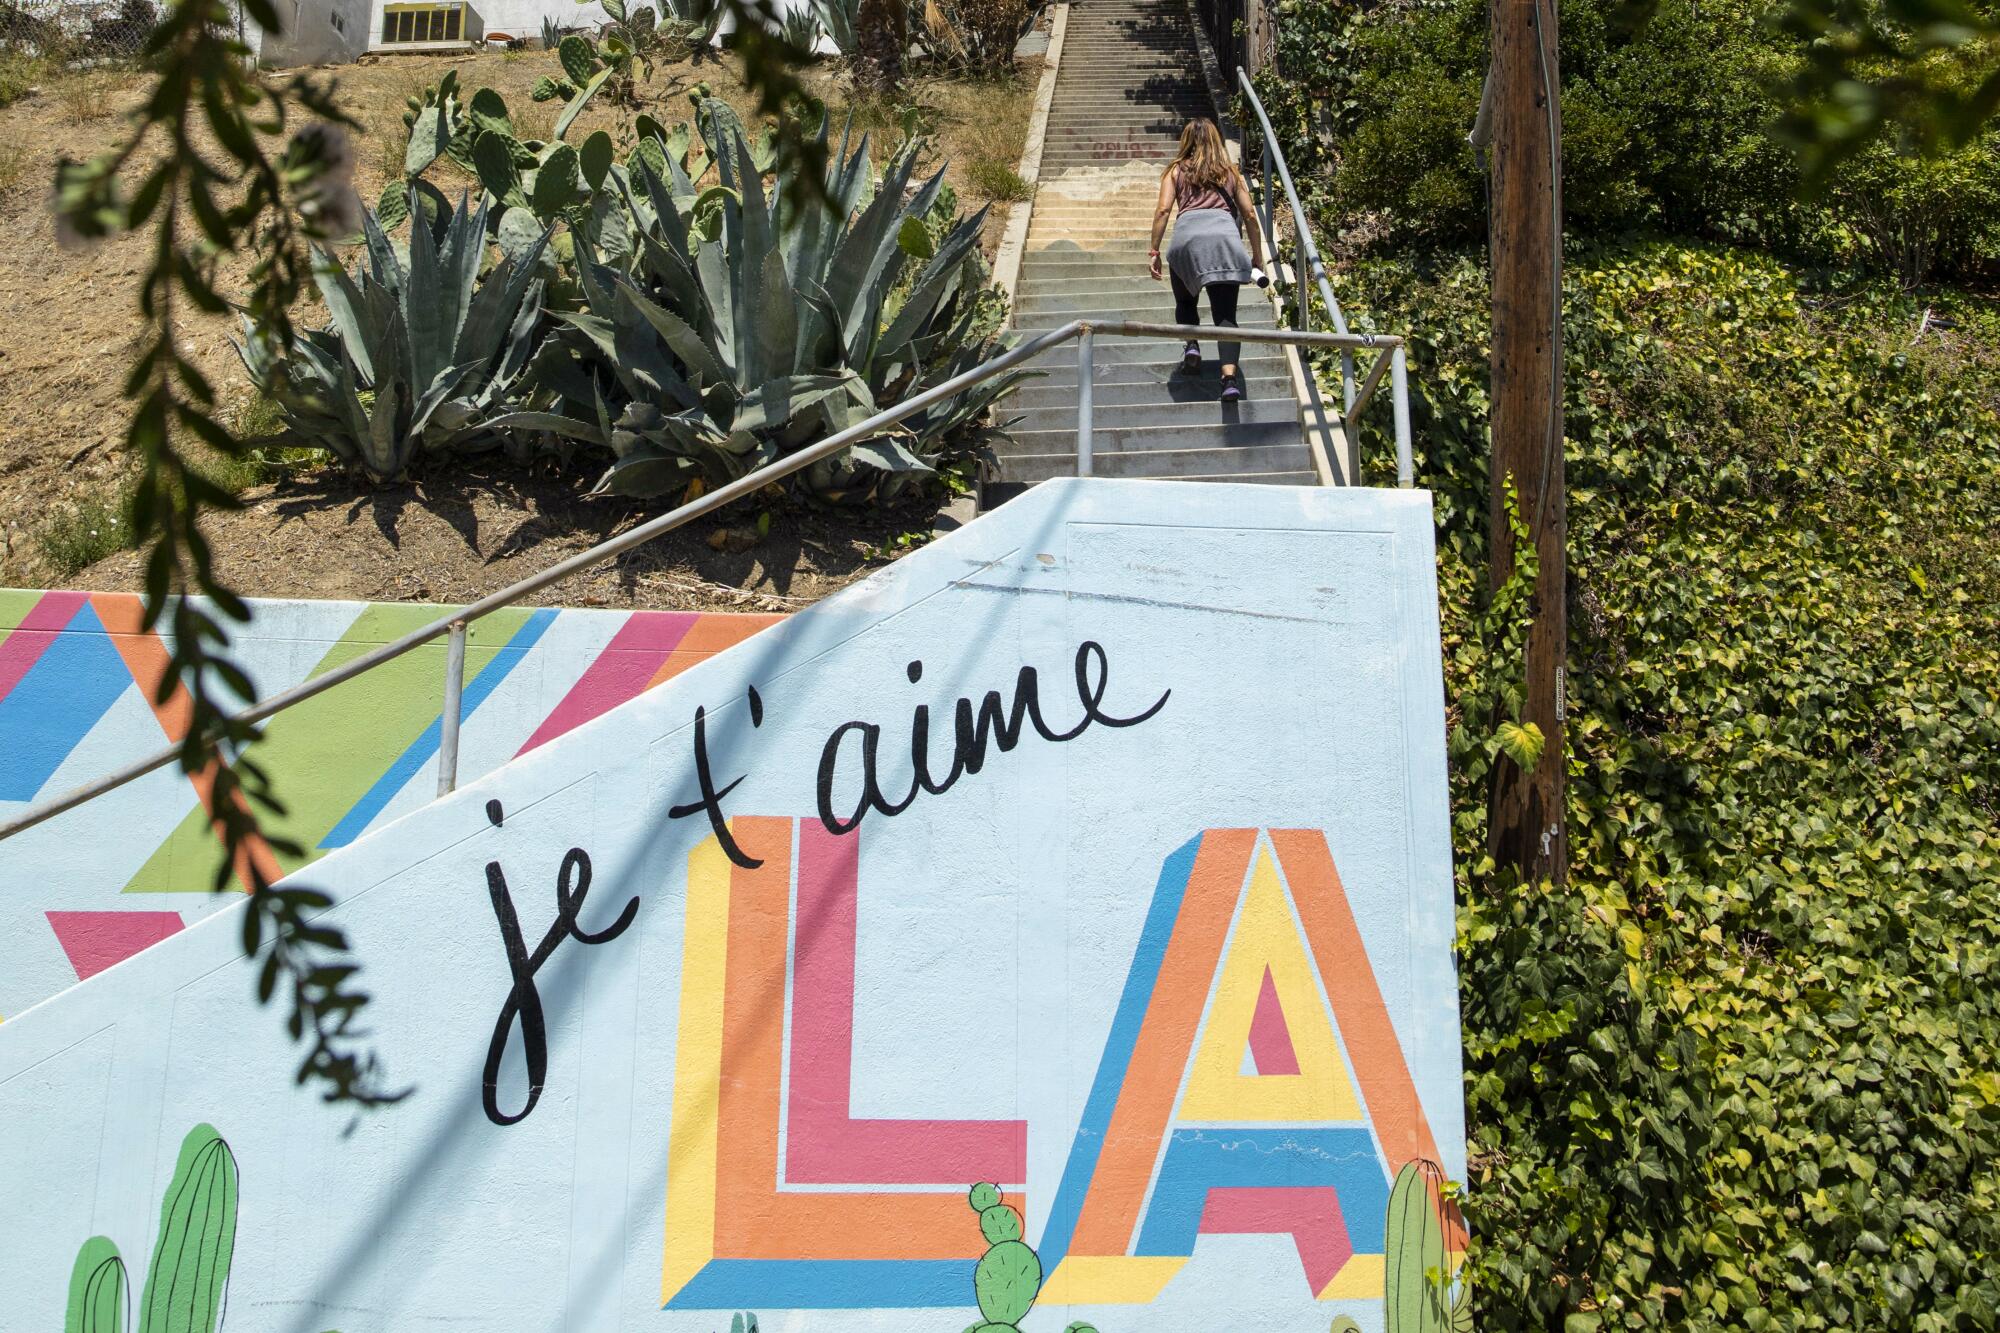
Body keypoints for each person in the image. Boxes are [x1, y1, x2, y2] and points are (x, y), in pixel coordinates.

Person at [1147, 118, 1265, 402]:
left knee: (1185, 302)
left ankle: (1192, 346)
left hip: (1186, 243)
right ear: (1215, 140)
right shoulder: (1230, 172)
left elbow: (1163, 210)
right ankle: (1228, 381)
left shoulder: (1175, 171)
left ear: (1185, 141)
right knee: (1225, 316)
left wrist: (1153, 251)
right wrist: (1257, 258)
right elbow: (1249, 215)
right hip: (1224, 242)